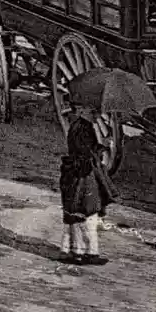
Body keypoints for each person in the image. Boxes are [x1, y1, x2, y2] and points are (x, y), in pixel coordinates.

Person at [60, 104, 115, 265]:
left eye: (96, 112)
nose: (95, 115)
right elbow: (85, 152)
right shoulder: (82, 128)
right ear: (83, 111)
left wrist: (101, 146)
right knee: (87, 212)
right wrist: (103, 148)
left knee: (80, 213)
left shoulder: (81, 126)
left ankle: (76, 250)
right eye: (93, 112)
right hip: (82, 173)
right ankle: (85, 252)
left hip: (79, 172)